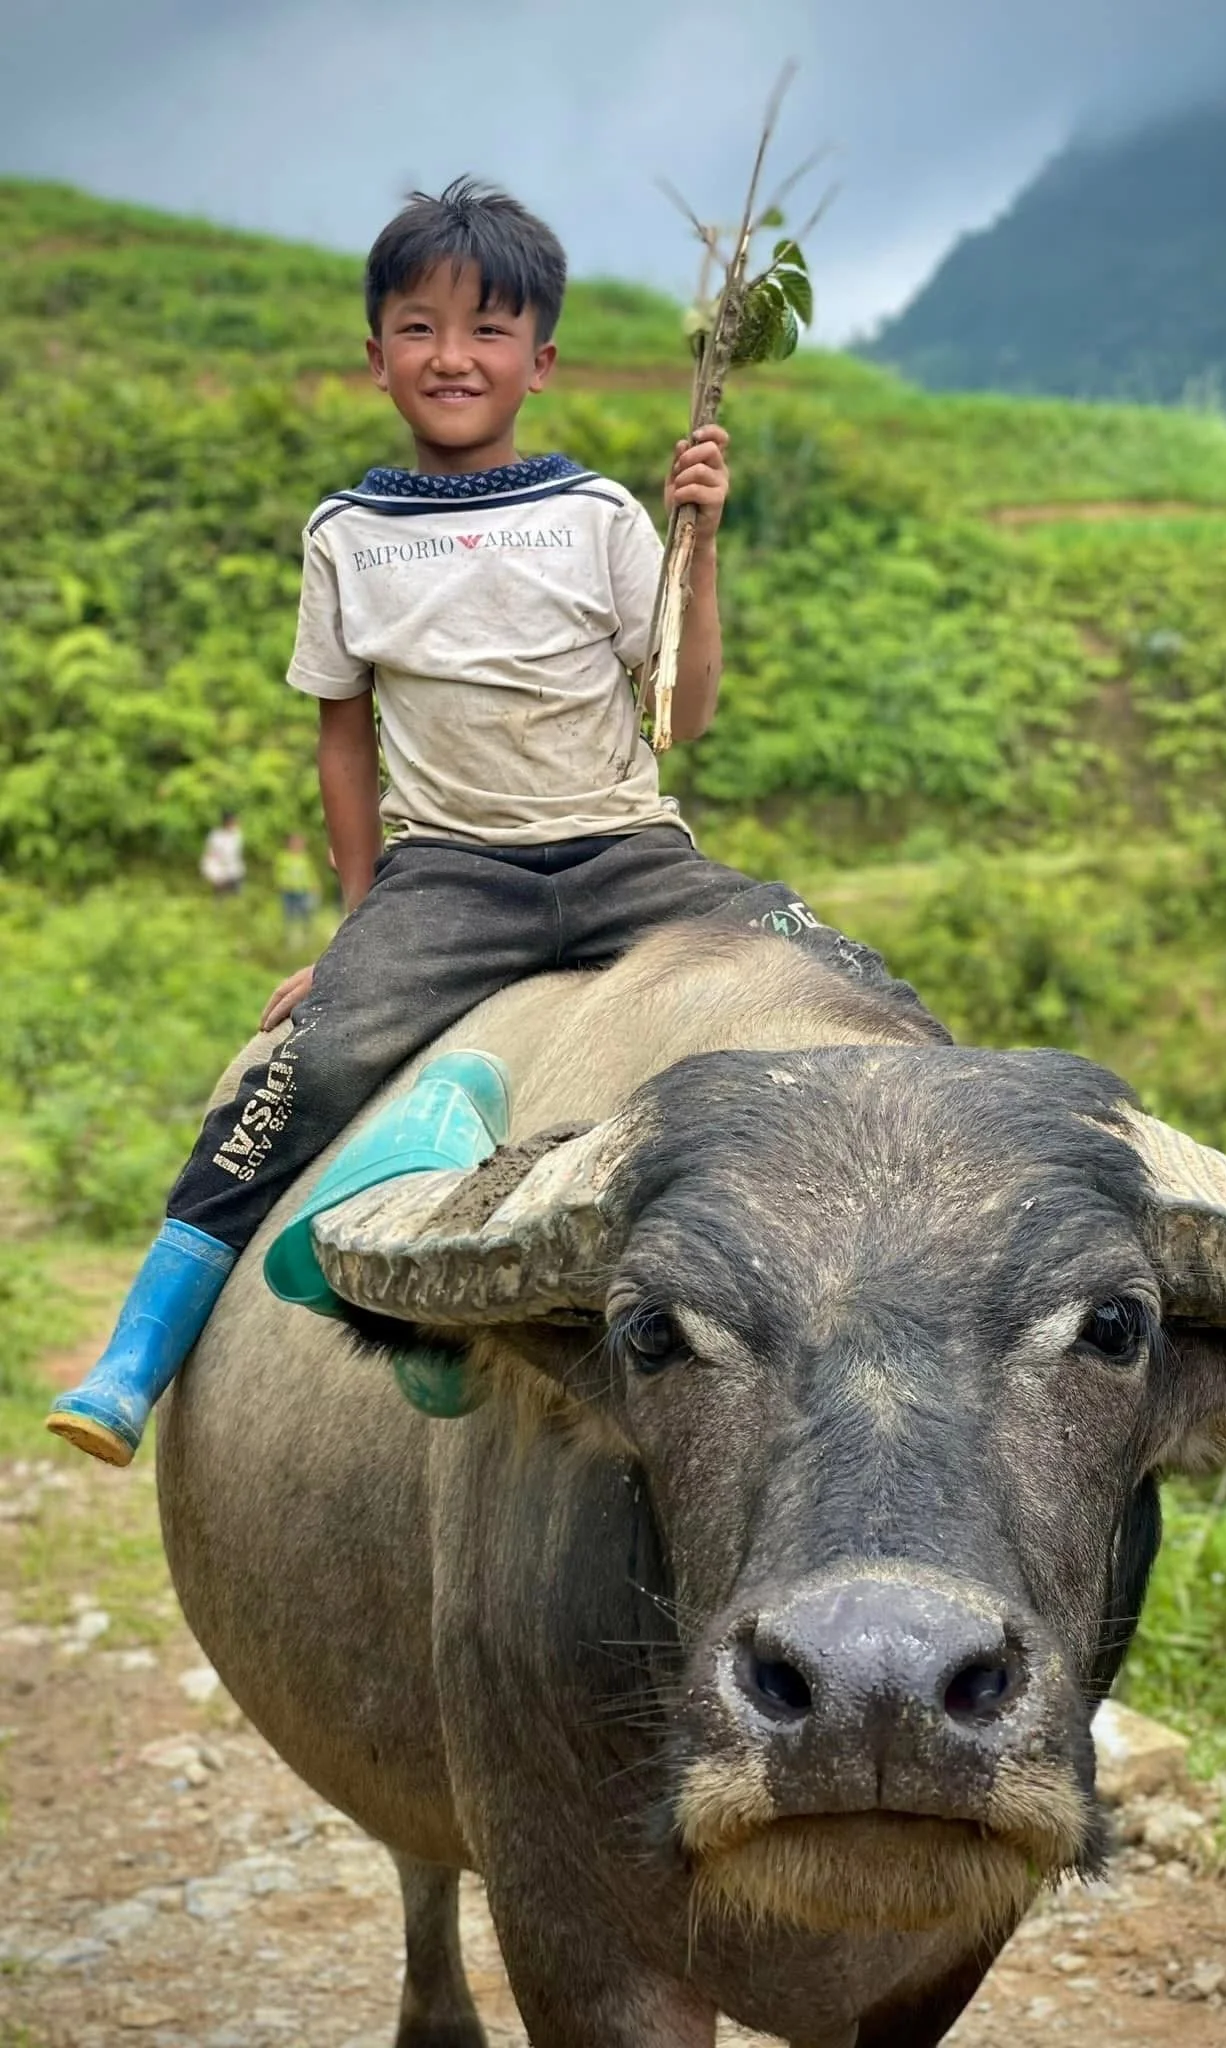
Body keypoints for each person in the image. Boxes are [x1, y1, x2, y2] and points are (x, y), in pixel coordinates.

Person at [47, 177, 941, 1467]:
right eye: (418, 328)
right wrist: (361, 927)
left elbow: (682, 711)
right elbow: (341, 735)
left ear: (541, 360)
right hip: (452, 875)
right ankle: (140, 1351)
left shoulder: (599, 515)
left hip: (630, 855)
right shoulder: (347, 534)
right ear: (375, 357)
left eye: (487, 331)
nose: (451, 356)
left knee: (850, 971)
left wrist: (704, 541)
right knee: (300, 1068)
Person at [274, 832, 320, 939]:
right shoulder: (283, 857)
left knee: (305, 912)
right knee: (289, 913)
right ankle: (290, 936)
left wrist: (314, 884)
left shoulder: (305, 858)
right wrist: (279, 883)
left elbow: (311, 872)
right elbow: (277, 872)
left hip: (303, 889)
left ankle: (307, 934)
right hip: (288, 889)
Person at [199, 811, 245, 895]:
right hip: (216, 863)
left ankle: (232, 889)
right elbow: (211, 854)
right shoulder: (215, 835)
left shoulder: (237, 834)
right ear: (226, 823)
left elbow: (236, 853)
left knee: (237, 876)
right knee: (218, 878)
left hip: (231, 864)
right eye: (232, 822)